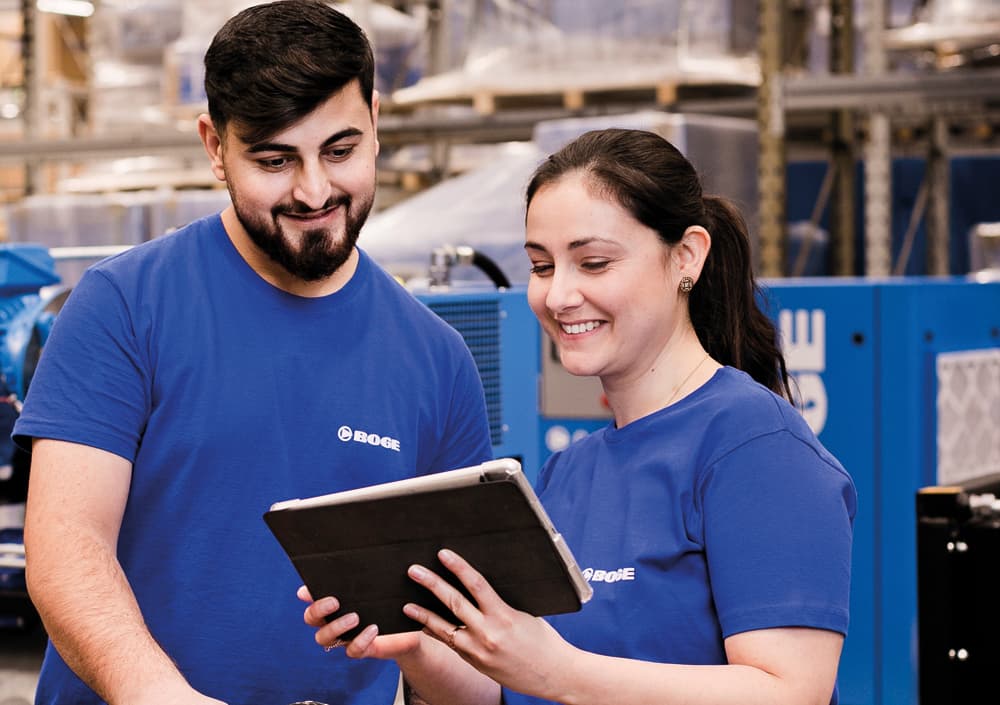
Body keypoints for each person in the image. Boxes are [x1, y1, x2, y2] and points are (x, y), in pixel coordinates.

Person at [15, 2, 493, 704]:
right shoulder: (124, 304)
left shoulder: (438, 358)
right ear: (215, 146)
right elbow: (67, 548)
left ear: (375, 122)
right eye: (275, 160)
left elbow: (454, 632)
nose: (314, 190)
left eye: (340, 151)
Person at [302, 128, 857, 705]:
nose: (558, 295)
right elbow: (510, 692)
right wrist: (414, 640)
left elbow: (790, 691)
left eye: (593, 263)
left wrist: (560, 672)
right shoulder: (567, 473)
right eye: (542, 266)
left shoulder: (757, 448)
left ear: (687, 255)